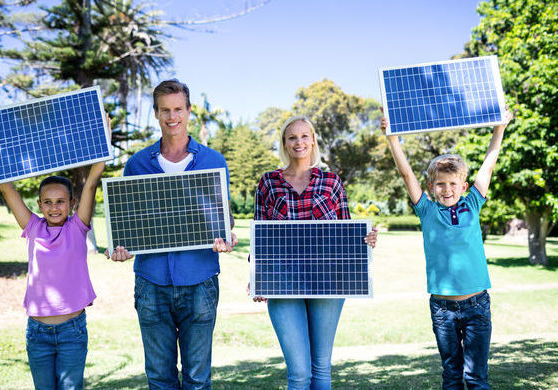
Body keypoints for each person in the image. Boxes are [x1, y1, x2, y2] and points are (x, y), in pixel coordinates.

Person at [107, 79, 238, 390]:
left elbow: (223, 216)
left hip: (200, 282)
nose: (172, 116)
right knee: (160, 380)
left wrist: (226, 235)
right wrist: (122, 249)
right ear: (155, 113)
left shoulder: (213, 162)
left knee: (197, 380)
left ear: (189, 111)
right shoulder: (137, 165)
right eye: (165, 110)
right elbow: (131, 222)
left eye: (178, 109)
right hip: (152, 284)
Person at [381, 107, 513, 389]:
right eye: (440, 184)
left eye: (453, 183)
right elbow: (406, 174)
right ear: (431, 187)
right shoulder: (427, 211)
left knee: (476, 376)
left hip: (477, 305)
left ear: (464, 185)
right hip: (443, 309)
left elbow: (488, 165)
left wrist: (499, 129)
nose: (447, 189)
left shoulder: (473, 204)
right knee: (452, 374)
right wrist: (393, 140)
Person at [252, 115, 377, 390]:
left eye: (304, 136)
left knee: (321, 369)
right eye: (292, 137)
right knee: (298, 373)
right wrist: (258, 276)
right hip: (283, 283)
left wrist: (366, 238)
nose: (299, 142)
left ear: (313, 140)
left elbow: (347, 233)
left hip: (328, 282)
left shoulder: (331, 181)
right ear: (284, 143)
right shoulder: (268, 183)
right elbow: (259, 238)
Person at [0, 133, 108, 389]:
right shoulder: (33, 227)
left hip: (72, 332)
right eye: (47, 202)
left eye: (60, 202)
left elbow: (91, 183)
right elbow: (6, 188)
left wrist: (101, 140)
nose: (54, 207)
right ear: (39, 204)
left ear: (71, 204)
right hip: (38, 334)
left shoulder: (77, 228)